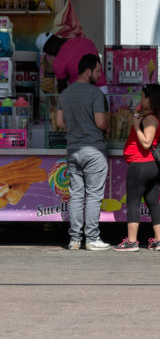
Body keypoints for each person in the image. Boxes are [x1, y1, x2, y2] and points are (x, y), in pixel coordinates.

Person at [55, 54, 111, 251]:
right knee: (93, 195)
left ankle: (75, 239)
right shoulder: (95, 94)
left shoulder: (64, 94)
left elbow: (60, 123)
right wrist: (108, 127)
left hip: (73, 150)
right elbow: (100, 122)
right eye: (97, 71)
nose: (99, 75)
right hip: (94, 150)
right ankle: (92, 238)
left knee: (76, 195)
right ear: (88, 71)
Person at [114, 83, 160, 252]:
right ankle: (158, 240)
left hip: (141, 164)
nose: (141, 99)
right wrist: (137, 113)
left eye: (143, 97)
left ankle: (131, 241)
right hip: (150, 165)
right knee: (152, 201)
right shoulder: (152, 116)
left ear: (150, 99)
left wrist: (137, 126)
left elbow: (146, 143)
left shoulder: (151, 119)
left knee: (133, 202)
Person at [36, 32, 108, 93]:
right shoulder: (87, 41)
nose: (51, 55)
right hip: (102, 90)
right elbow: (99, 66)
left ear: (51, 49)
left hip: (81, 95)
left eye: (48, 52)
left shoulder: (58, 62)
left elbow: (63, 91)